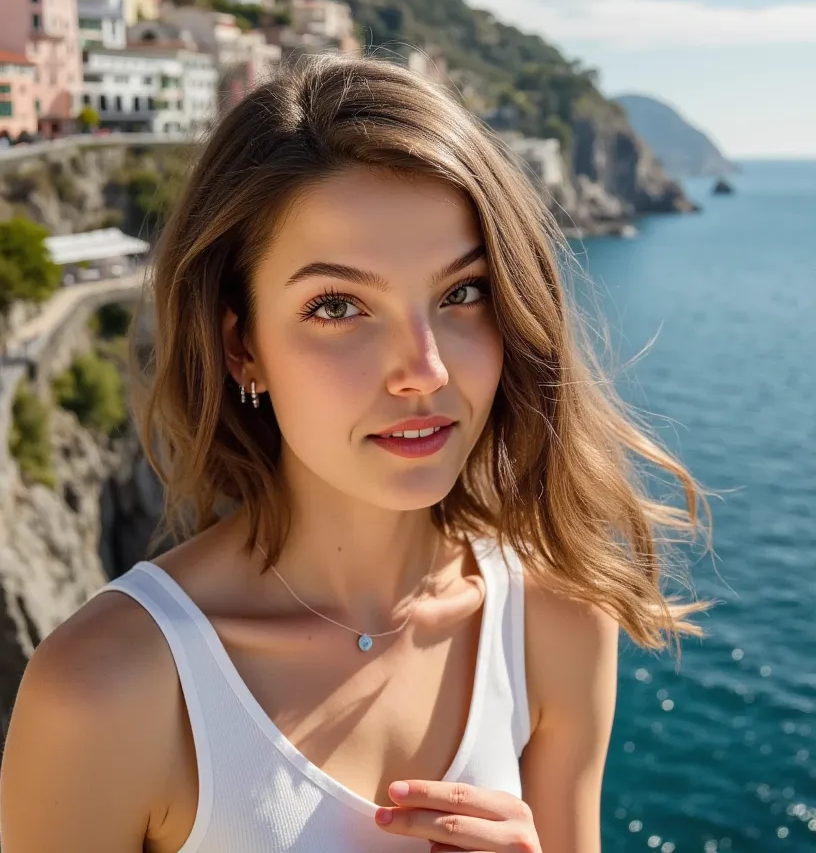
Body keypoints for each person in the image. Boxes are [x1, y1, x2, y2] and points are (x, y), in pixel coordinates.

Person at [0, 55, 712, 852]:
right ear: (244, 348)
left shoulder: (559, 620)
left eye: (462, 293)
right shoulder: (106, 692)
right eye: (337, 306)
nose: (425, 371)